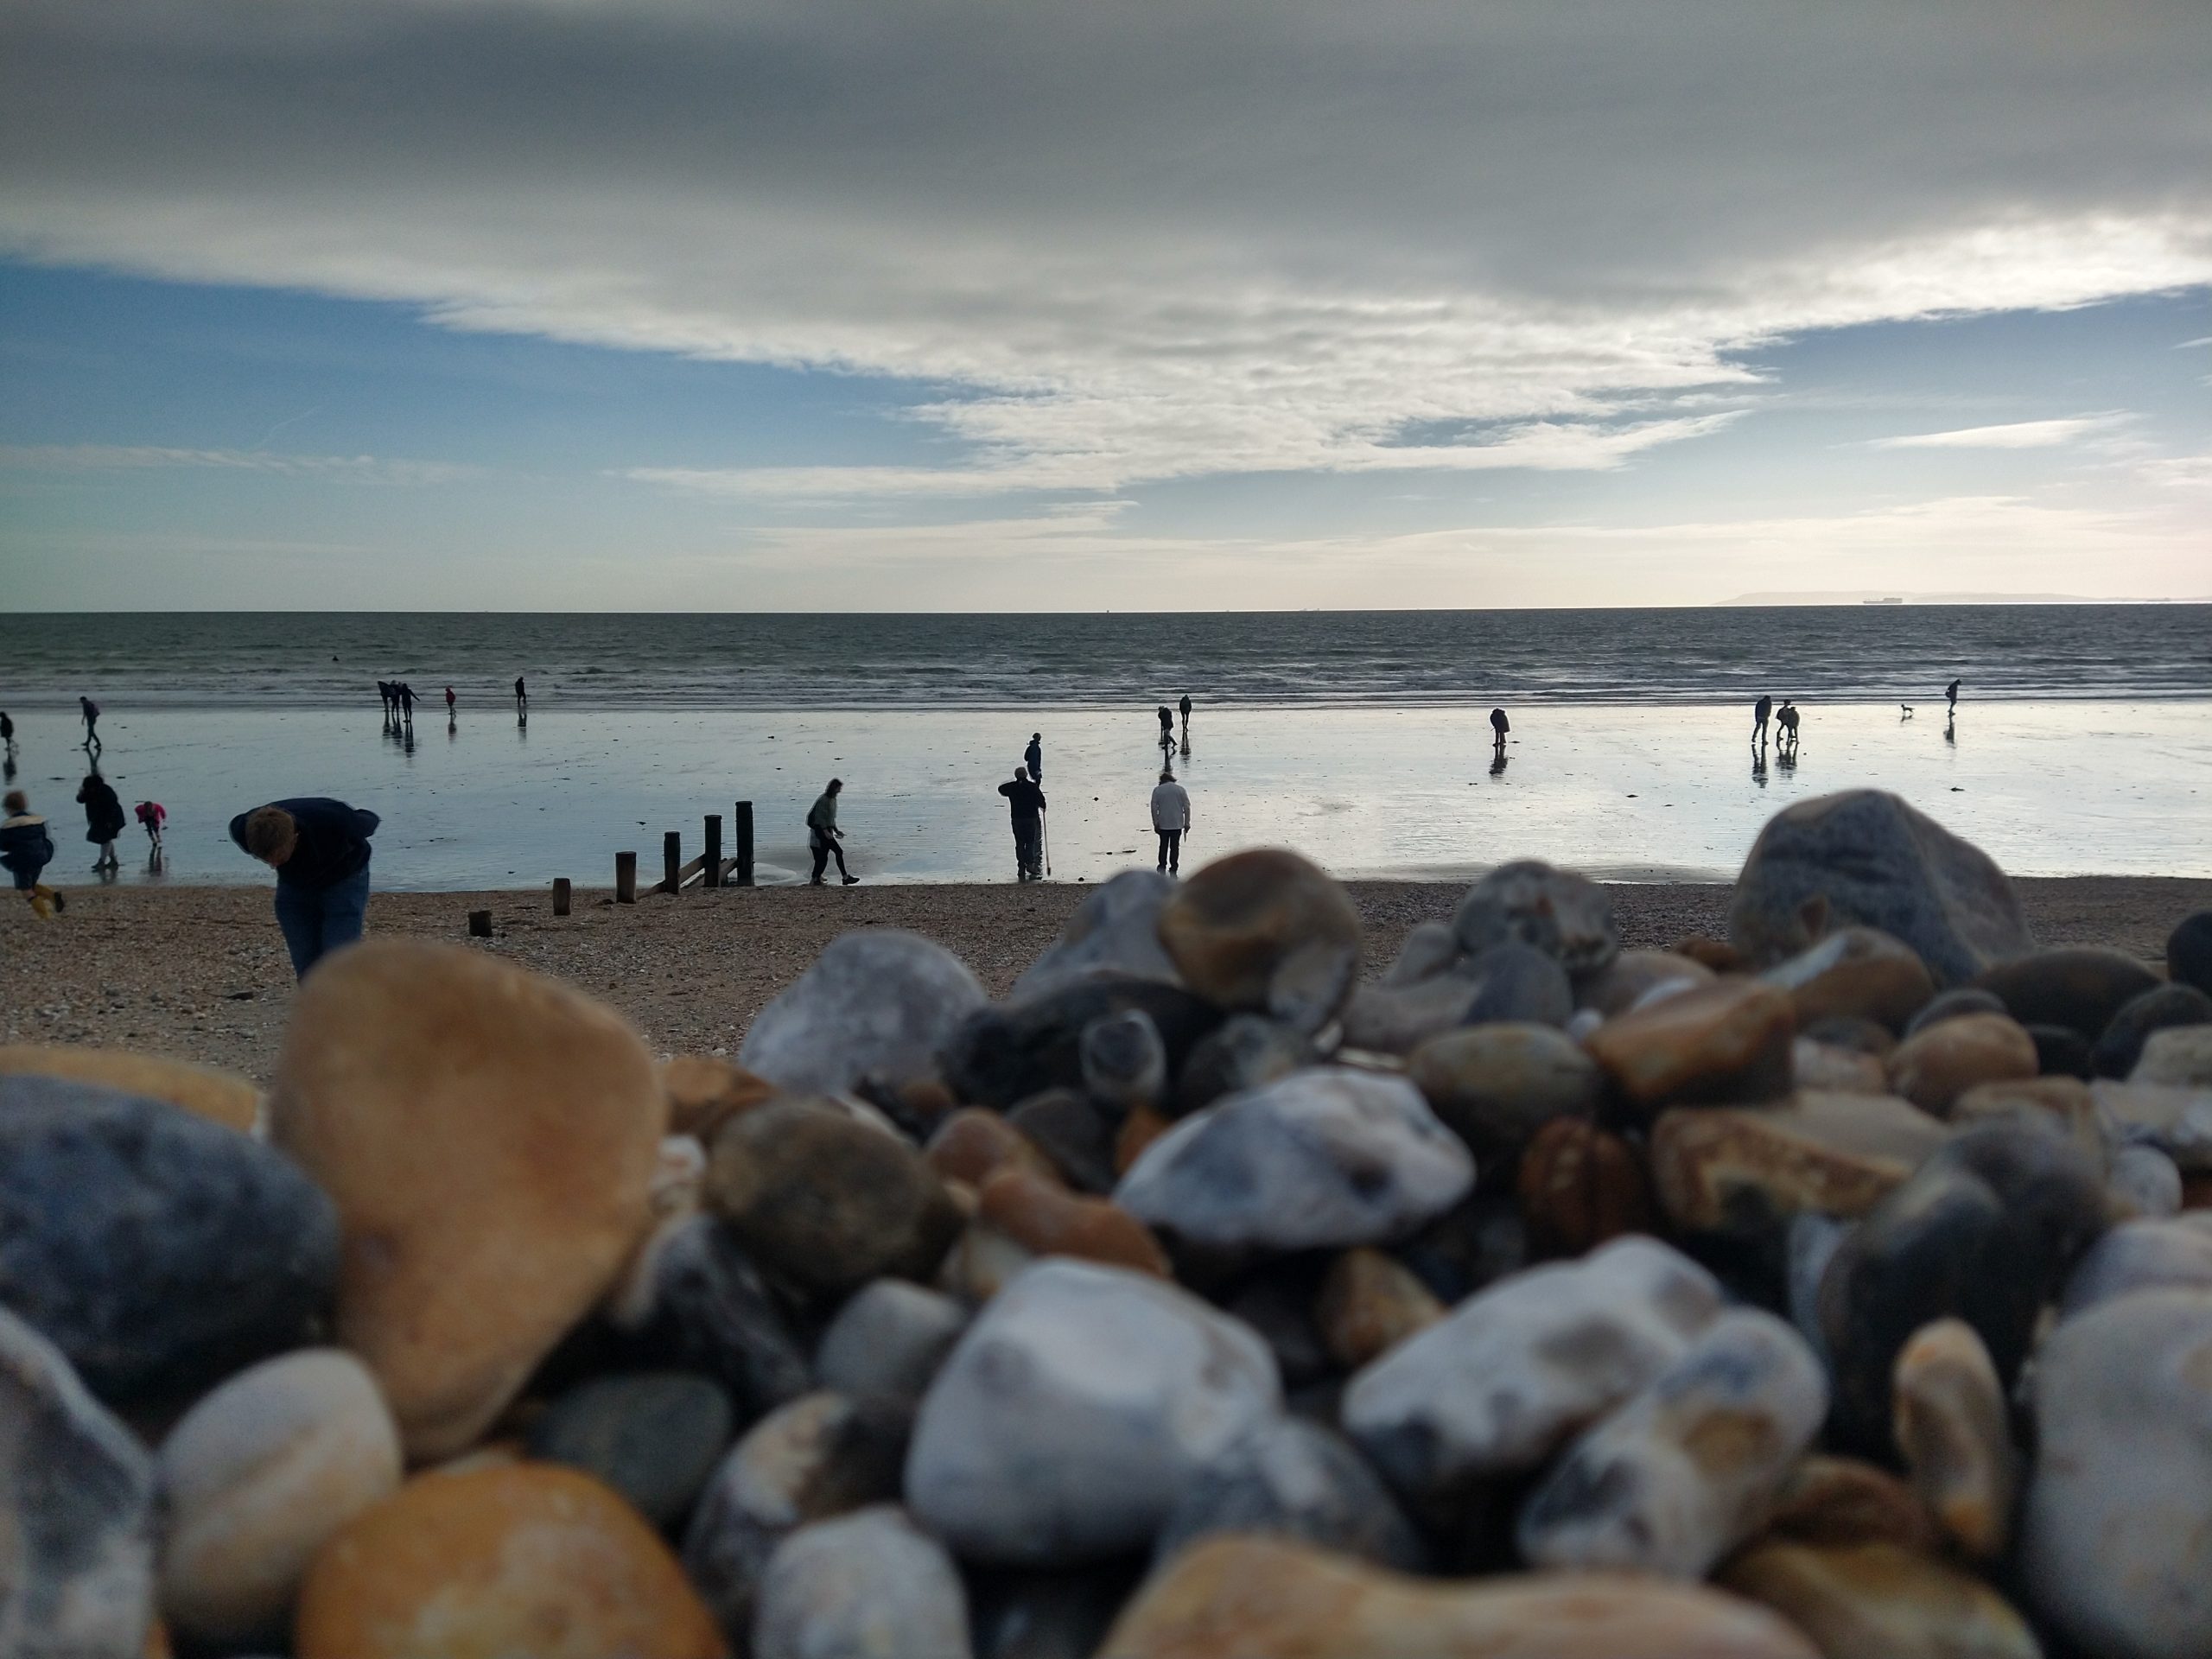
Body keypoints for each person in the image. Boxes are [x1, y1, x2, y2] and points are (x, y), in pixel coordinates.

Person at [229, 798, 380, 980]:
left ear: (295, 837)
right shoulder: (245, 830)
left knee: (339, 957)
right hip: (295, 884)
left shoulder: (334, 822)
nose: (273, 865)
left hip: (345, 877)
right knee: (305, 959)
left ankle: (345, 1003)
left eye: (279, 857)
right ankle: (315, 1004)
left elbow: (369, 820)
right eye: (265, 859)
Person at [1, 789, 62, 918]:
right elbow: (44, 836)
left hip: (22, 860)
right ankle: (53, 896)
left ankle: (44, 914)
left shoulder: (9, 827)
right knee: (31, 884)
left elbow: (3, 845)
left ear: (9, 809)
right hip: (40, 857)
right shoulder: (37, 822)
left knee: (25, 889)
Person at [998, 766, 1047, 881]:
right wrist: (1043, 806)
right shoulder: (1032, 787)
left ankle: (1021, 866)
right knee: (1030, 842)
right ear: (1026, 775)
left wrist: (1015, 782)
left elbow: (1001, 789)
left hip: (1017, 818)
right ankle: (1030, 864)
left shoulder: (1012, 788)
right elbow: (1041, 800)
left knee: (1019, 843)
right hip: (1030, 817)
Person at [806, 779, 859, 886]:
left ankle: (815, 879)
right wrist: (825, 831)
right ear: (834, 788)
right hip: (821, 831)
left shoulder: (833, 799)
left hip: (827, 830)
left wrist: (836, 830)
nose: (840, 790)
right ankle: (845, 877)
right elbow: (820, 817)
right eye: (839, 788)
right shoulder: (823, 799)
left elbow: (830, 818)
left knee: (823, 857)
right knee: (838, 852)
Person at [77, 772, 124, 873]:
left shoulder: (106, 791)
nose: (90, 790)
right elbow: (80, 800)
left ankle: (102, 862)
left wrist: (110, 821)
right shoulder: (89, 791)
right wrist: (81, 793)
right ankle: (113, 861)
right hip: (98, 819)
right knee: (106, 839)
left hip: (112, 818)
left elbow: (112, 807)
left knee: (105, 839)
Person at [1150, 767, 1191, 875]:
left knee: (1163, 846)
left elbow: (1154, 808)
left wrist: (1155, 823)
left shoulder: (1157, 790)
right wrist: (1187, 823)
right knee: (1175, 847)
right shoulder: (1181, 789)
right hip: (1177, 823)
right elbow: (1187, 807)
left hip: (1163, 823)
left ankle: (1162, 866)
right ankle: (1174, 868)